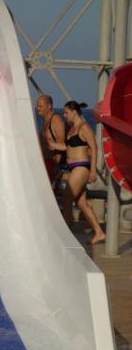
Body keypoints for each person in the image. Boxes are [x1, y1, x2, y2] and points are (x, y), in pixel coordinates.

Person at [48, 100, 106, 246]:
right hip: (73, 168)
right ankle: (99, 232)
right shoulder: (73, 128)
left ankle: (66, 230)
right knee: (82, 203)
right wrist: (51, 144)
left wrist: (93, 171)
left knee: (66, 200)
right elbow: (67, 147)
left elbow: (94, 147)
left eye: (66, 112)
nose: (64, 115)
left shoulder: (84, 126)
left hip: (81, 167)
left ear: (74, 112)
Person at [36, 95, 66, 187]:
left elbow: (62, 144)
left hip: (52, 163)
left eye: (40, 106)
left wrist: (56, 165)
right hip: (44, 162)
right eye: (37, 106)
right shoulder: (46, 121)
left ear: (49, 106)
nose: (38, 109)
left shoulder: (56, 120)